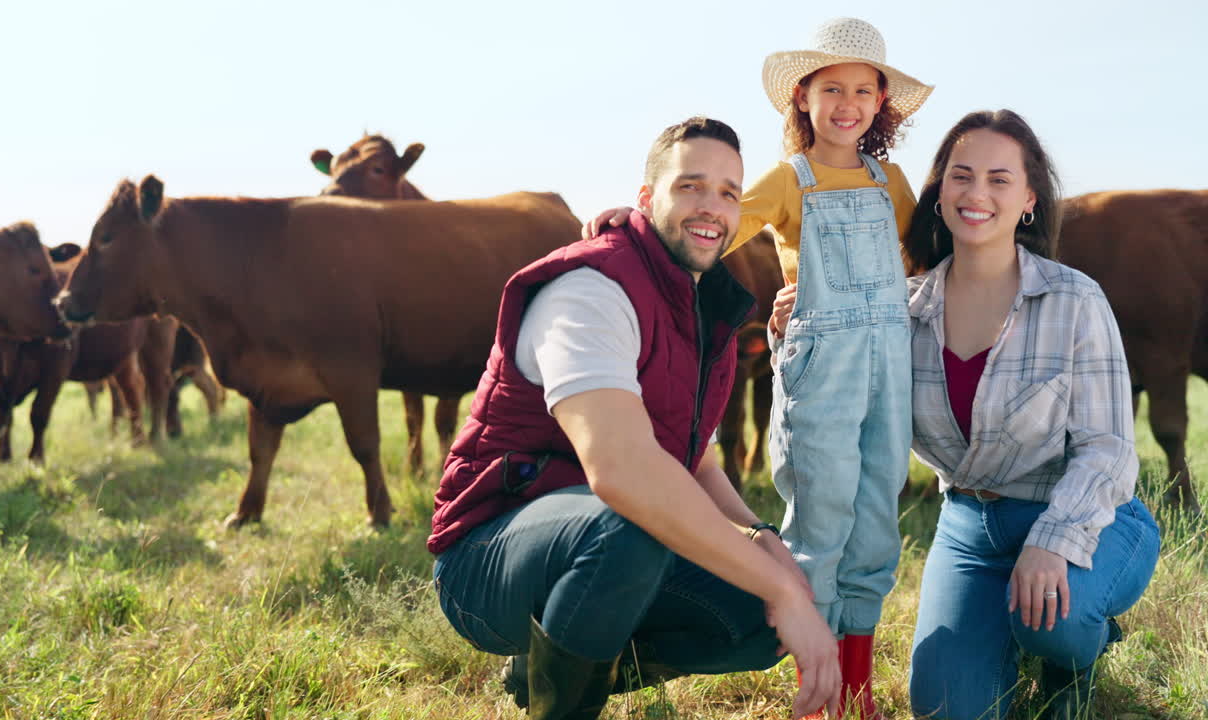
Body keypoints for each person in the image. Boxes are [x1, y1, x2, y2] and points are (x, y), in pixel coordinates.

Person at [428, 117, 840, 720]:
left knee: (761, 618)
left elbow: (695, 464)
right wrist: (775, 583)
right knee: (631, 526)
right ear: (646, 199)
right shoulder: (591, 289)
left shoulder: (706, 309)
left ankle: (547, 668)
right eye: (690, 186)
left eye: (729, 192)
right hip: (489, 557)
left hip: (607, 540)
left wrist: (767, 550)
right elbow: (621, 472)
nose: (712, 207)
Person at [583, 18, 933, 718]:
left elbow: (918, 263)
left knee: (875, 522)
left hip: (888, 367)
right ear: (802, 97)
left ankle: (858, 690)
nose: (848, 103)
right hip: (824, 368)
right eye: (832, 87)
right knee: (823, 517)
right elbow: (706, 230)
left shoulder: (890, 180)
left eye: (864, 91)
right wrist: (630, 221)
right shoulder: (785, 181)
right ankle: (820, 683)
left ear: (880, 104)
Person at [899, 109, 1161, 719]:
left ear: (1029, 200)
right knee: (945, 711)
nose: (977, 194)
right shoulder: (904, 312)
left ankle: (1075, 656)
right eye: (961, 176)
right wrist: (794, 331)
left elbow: (1109, 448)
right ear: (939, 193)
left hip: (1087, 515)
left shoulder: (1073, 298)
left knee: (1055, 625)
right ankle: (1007, 631)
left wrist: (1053, 541)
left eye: (999, 179)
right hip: (968, 529)